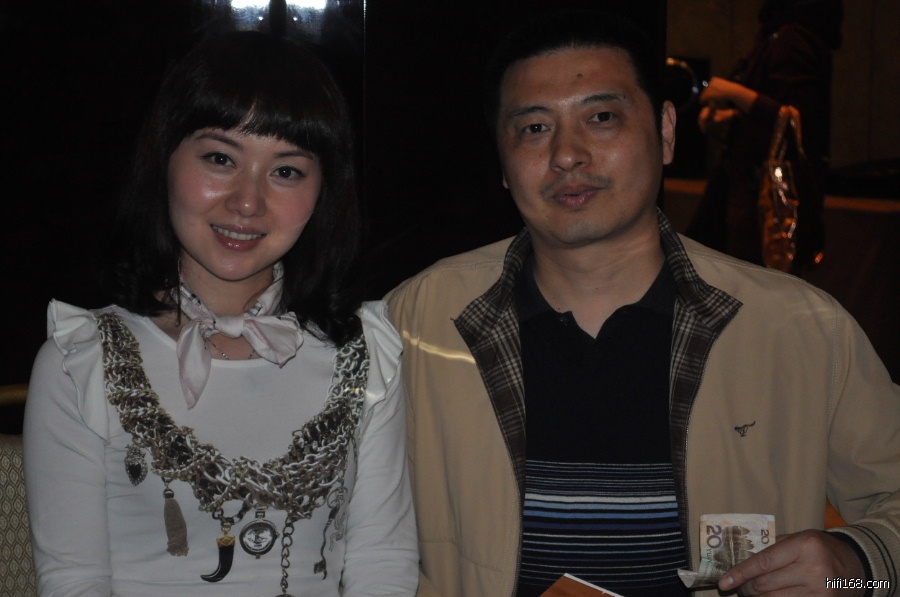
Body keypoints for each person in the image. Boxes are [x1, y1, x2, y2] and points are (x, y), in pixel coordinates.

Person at [386, 9, 899, 597]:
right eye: (534, 128)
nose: (567, 154)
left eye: (602, 117)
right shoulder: (416, 324)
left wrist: (859, 569)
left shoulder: (800, 329)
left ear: (666, 132)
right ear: (502, 162)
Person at [23, 30, 418, 597]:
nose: (248, 201)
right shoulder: (80, 360)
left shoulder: (367, 353)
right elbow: (73, 581)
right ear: (164, 160)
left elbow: (383, 562)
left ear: (323, 191)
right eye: (220, 158)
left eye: (286, 171)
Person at [686, 0, 843, 268]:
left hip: (763, 205)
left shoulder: (794, 38)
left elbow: (798, 121)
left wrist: (732, 93)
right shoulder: (783, 33)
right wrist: (732, 116)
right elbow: (779, 113)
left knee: (745, 281)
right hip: (751, 197)